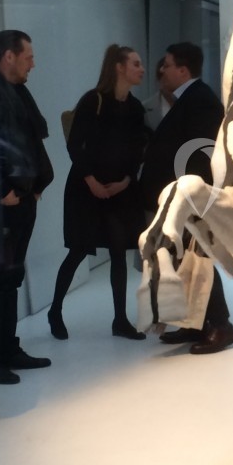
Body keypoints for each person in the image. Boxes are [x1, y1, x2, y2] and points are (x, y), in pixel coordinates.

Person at [136, 41, 233, 354]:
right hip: (180, 199)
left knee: (200, 260)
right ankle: (195, 323)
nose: (161, 71)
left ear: (183, 70)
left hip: (189, 199)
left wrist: (186, 199)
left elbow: (198, 155)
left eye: (166, 65)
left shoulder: (201, 100)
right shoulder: (188, 99)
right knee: (185, 261)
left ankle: (221, 326)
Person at [0, 29, 55, 385]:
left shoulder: (16, 93)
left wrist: (34, 187)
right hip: (2, 205)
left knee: (10, 277)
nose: (32, 63)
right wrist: (1, 190)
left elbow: (28, 142)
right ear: (8, 57)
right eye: (28, 56)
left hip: (21, 201)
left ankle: (7, 348)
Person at [47, 44, 148, 340]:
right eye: (136, 63)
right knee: (78, 250)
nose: (141, 69)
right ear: (119, 67)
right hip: (85, 189)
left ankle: (120, 320)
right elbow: (75, 144)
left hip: (120, 190)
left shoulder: (135, 107)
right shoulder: (93, 101)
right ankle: (55, 310)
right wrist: (91, 180)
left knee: (118, 252)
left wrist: (127, 181)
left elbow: (137, 150)